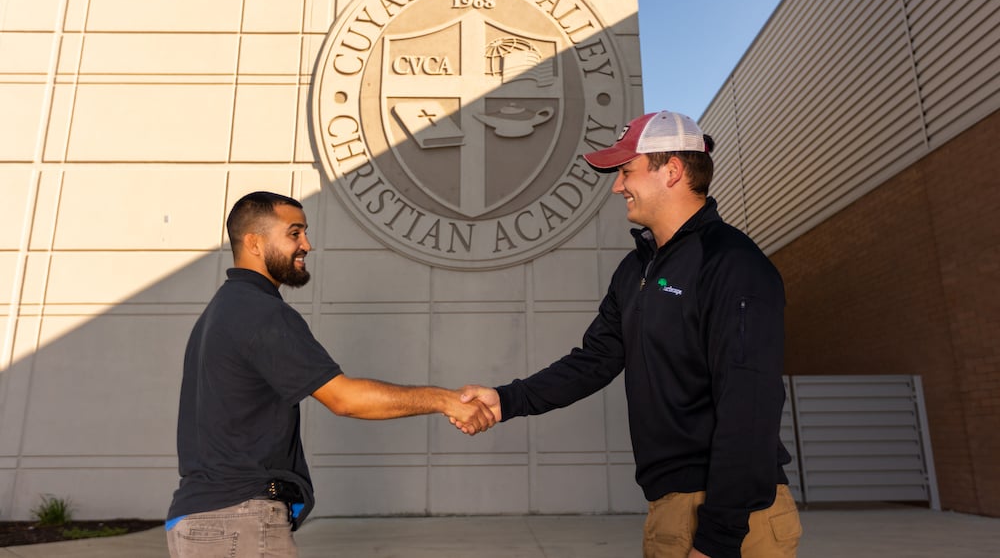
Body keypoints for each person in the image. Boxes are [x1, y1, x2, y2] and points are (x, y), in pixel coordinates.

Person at [458, 111, 802, 558]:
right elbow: (595, 359)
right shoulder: (637, 269)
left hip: (734, 516)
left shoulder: (732, 264)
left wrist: (719, 536)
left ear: (673, 172)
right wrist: (506, 400)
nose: (618, 186)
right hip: (670, 508)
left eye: (626, 171)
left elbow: (751, 404)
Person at [166, 191, 495, 558]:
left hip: (207, 518)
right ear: (254, 243)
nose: (307, 244)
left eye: (305, 232)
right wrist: (446, 399)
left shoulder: (224, 309)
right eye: (294, 233)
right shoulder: (261, 314)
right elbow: (344, 399)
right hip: (237, 520)